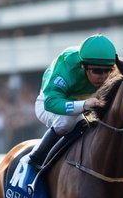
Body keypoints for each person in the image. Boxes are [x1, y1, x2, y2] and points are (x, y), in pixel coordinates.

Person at [24, 34, 117, 174]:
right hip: (50, 104)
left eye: (107, 71)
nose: (103, 76)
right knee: (66, 121)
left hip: (85, 103)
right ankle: (37, 158)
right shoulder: (66, 66)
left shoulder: (111, 65)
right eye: (97, 71)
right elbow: (50, 103)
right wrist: (84, 105)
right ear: (83, 66)